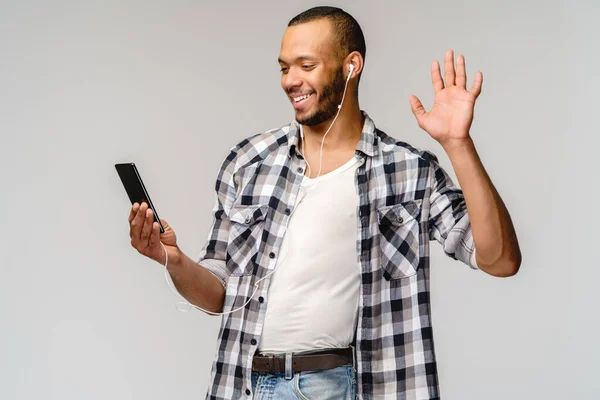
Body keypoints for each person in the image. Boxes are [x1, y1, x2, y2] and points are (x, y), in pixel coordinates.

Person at [127, 6, 521, 400]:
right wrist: (173, 260)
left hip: (347, 386)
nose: (290, 80)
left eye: (306, 65)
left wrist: (458, 144)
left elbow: (500, 260)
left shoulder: (408, 171)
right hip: (246, 385)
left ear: (351, 66)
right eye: (284, 67)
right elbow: (219, 296)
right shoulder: (249, 162)